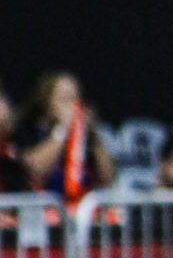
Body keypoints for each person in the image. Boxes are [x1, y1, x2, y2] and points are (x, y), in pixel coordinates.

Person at [15, 72, 115, 204]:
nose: (73, 106)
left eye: (76, 99)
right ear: (48, 104)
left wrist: (94, 136)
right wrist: (63, 131)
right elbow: (35, 172)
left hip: (81, 207)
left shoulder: (87, 137)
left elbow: (108, 179)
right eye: (65, 99)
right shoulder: (29, 130)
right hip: (45, 207)